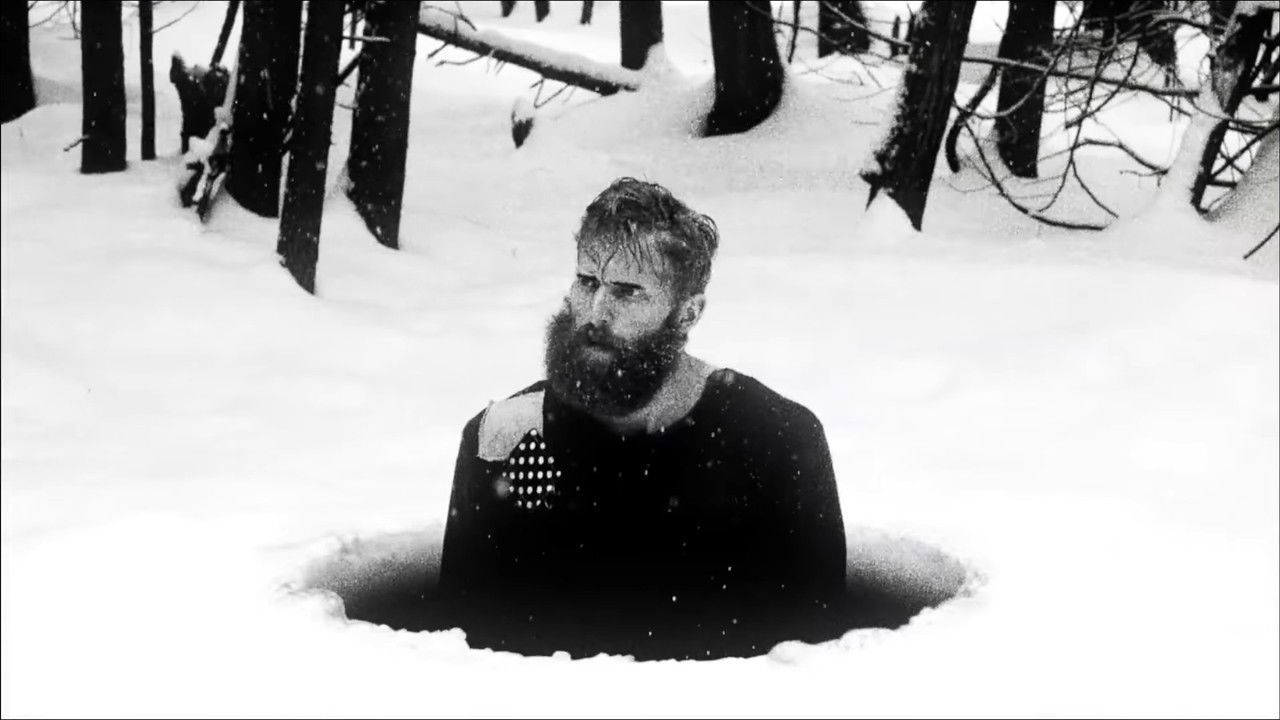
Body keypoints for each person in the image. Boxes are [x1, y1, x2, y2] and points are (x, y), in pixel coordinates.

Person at [433, 178, 848, 660]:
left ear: (687, 313)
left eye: (627, 292)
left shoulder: (777, 441)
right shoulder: (507, 435)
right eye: (587, 282)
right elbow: (460, 648)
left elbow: (814, 657)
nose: (595, 313)